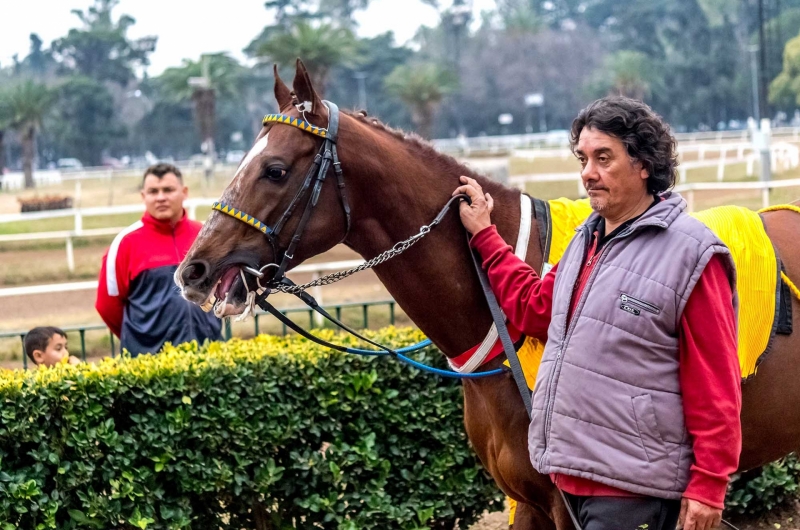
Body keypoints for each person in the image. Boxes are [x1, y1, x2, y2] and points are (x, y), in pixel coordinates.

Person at [454, 96, 741, 530]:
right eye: (583, 158)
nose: (588, 173)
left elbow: (716, 384)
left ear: (643, 163)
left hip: (633, 490)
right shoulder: (584, 243)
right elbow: (536, 311)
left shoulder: (694, 254)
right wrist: (486, 236)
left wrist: (708, 487)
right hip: (568, 480)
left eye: (603, 158)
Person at [95, 163, 221, 357]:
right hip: (149, 364)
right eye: (153, 191)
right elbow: (107, 306)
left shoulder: (206, 236)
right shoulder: (124, 243)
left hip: (208, 354)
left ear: (184, 192)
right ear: (143, 196)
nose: (161, 197)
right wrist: (140, 340)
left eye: (168, 190)